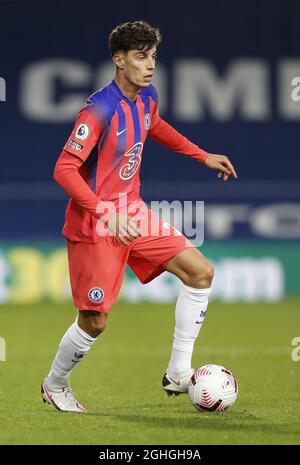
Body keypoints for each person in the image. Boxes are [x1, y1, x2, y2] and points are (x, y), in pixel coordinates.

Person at [41, 20, 237, 412]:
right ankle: (55, 384)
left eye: (153, 57)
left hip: (134, 212)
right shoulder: (98, 109)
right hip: (95, 223)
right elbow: (63, 169)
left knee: (200, 272)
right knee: (95, 322)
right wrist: (103, 211)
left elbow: (156, 126)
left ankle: (179, 372)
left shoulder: (147, 99)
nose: (149, 65)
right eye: (140, 57)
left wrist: (201, 155)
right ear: (119, 59)